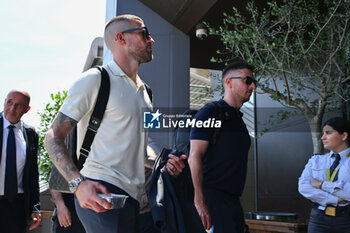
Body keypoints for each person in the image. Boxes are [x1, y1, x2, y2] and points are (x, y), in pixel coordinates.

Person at [45, 14, 155, 233]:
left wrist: (166, 162)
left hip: (136, 198)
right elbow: (53, 136)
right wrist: (78, 184)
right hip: (101, 190)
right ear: (121, 39)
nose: (152, 40)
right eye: (144, 33)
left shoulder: (148, 92)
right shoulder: (94, 79)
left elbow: (144, 148)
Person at [167, 62, 257, 233]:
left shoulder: (238, 120)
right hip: (211, 200)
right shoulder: (210, 112)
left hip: (233, 202)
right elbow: (195, 155)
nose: (252, 86)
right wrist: (199, 201)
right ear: (229, 82)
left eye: (254, 82)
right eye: (247, 80)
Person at [298, 117, 350, 233]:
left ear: (344, 136)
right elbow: (303, 187)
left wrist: (322, 185)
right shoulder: (316, 160)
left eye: (328, 133)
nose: (323, 137)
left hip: (346, 219)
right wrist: (335, 199)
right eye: (323, 133)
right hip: (319, 219)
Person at [0, 90, 41, 233]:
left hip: (17, 207)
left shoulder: (31, 135)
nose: (12, 108)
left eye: (18, 105)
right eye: (9, 102)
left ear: (27, 109)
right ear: (4, 101)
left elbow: (33, 175)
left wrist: (35, 207)